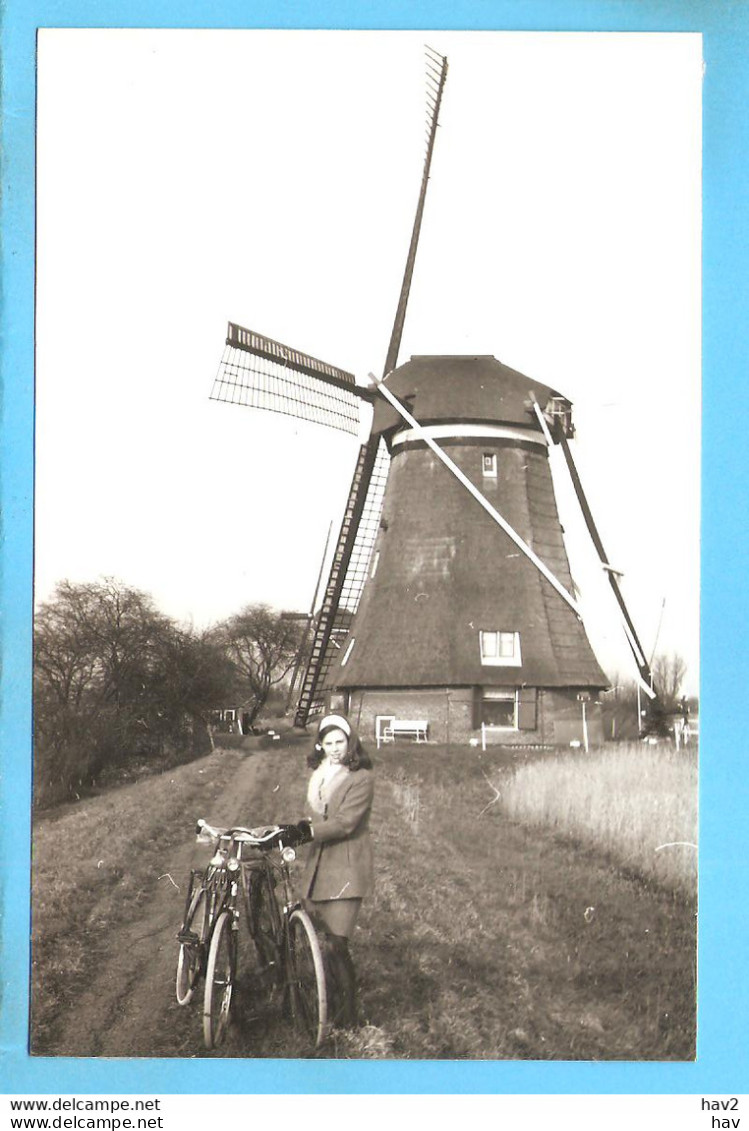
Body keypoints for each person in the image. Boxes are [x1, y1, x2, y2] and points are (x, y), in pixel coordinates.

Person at [279, 713, 374, 1029]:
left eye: (340, 742)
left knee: (337, 943)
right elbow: (313, 818)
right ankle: (328, 1005)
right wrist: (295, 830)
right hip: (321, 865)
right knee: (324, 943)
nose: (335, 749)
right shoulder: (320, 777)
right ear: (319, 746)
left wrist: (306, 834)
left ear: (351, 743)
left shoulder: (361, 778)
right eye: (328, 743)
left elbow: (346, 823)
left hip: (346, 868)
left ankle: (349, 1019)